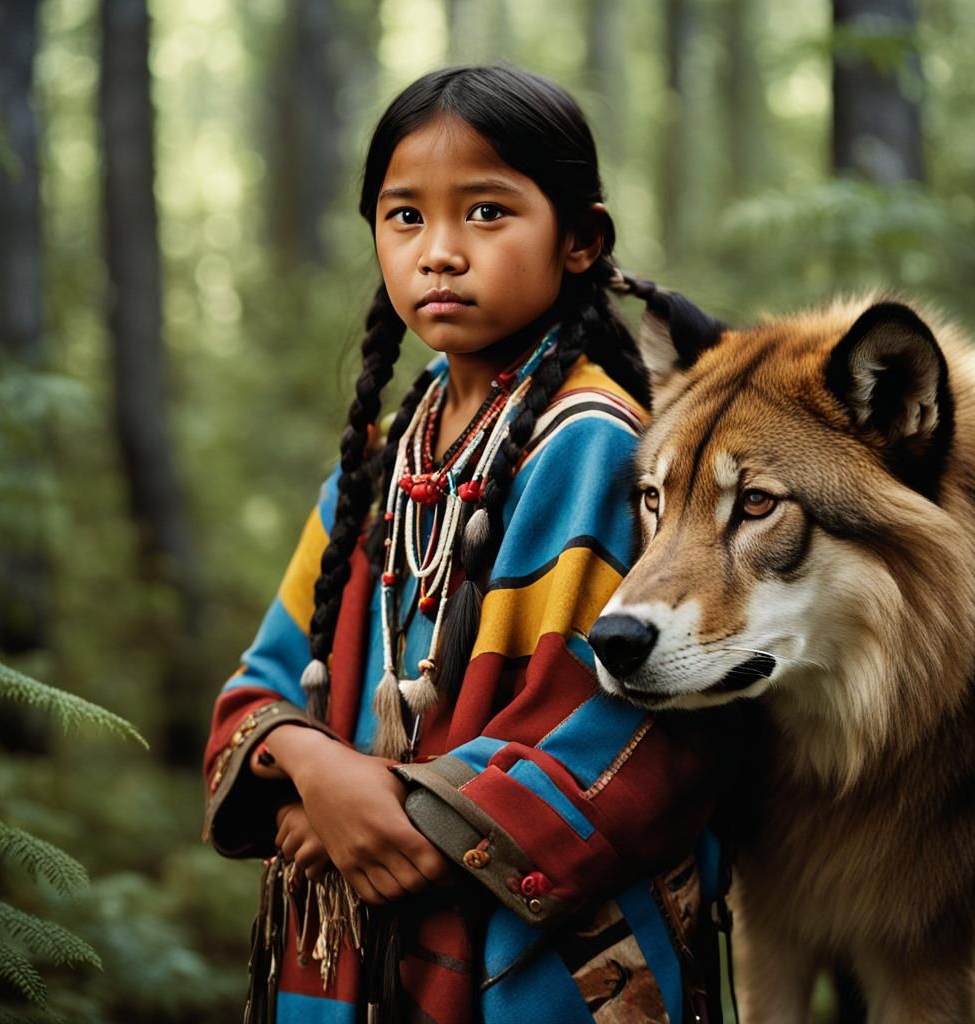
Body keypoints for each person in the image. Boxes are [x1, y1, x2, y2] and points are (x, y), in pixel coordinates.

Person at [204, 64, 734, 1024]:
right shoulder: (375, 469)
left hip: (535, 965)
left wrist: (383, 814)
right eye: (405, 217)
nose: (440, 251)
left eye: (487, 213)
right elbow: (260, 688)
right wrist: (315, 776)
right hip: (362, 952)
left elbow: (624, 735)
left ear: (580, 240)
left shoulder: (595, 446)